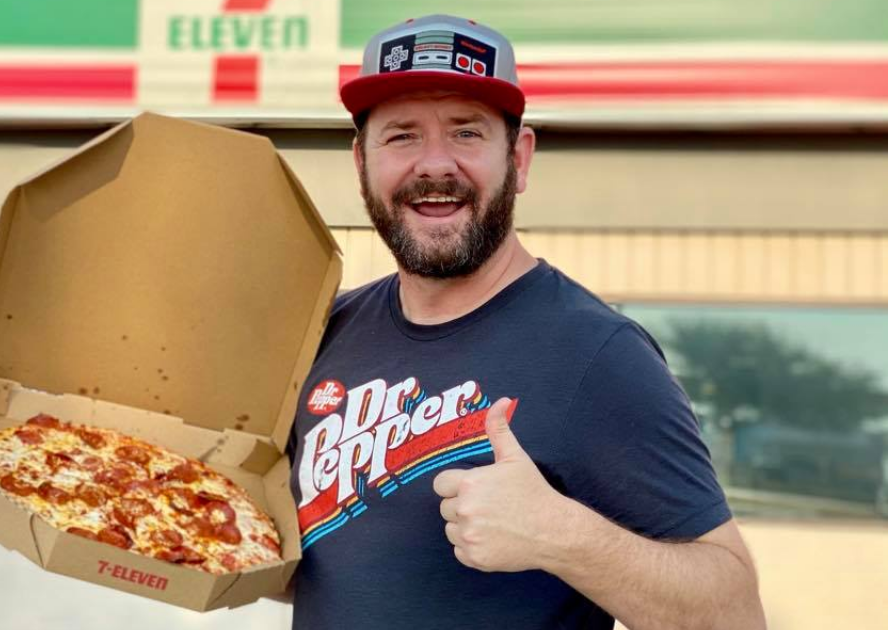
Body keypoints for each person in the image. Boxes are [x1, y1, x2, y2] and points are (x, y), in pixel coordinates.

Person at [283, 14, 767, 630]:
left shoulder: (597, 353)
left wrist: (565, 537)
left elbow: (736, 614)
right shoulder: (327, 332)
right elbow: (321, 569)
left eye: (466, 132)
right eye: (402, 136)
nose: (435, 164)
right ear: (361, 164)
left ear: (519, 157)